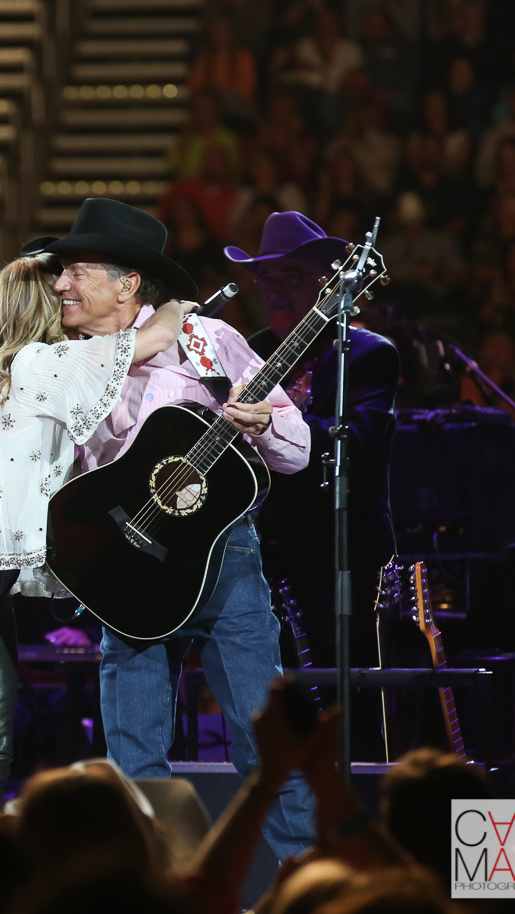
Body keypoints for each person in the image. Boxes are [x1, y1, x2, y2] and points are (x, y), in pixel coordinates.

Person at [0, 198, 315, 860]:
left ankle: (309, 883)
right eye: (61, 271)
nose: (61, 284)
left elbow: (297, 451)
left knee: (263, 740)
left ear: (127, 284)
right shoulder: (58, 362)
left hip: (222, 562)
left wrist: (265, 423)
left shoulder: (208, 341)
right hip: (124, 569)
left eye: (77, 271)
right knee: (134, 756)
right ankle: (151, 885)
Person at [0, 250, 193, 793]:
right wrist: (177, 302)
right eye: (58, 288)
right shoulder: (43, 362)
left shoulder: (23, 372)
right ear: (41, 306)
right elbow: (157, 335)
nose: (67, 291)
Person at [227, 212, 399, 683]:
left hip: (343, 556)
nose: (276, 289)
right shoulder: (251, 351)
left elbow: (359, 444)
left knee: (353, 696)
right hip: (268, 556)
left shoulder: (367, 353)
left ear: (326, 282)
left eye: (292, 275)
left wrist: (280, 428)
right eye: (267, 277)